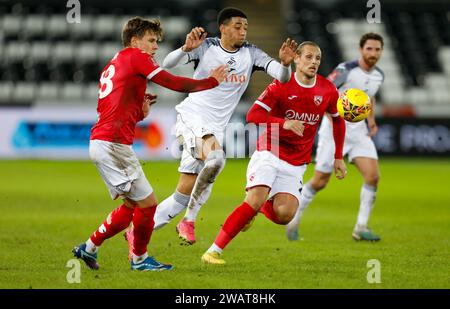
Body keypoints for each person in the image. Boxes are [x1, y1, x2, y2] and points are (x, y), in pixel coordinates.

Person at [126, 7, 298, 246]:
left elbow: (283, 76)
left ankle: (136, 232)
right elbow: (167, 63)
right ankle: (189, 221)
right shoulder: (207, 47)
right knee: (217, 158)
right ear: (223, 28)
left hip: (215, 127)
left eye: (245, 27)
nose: (242, 31)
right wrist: (186, 49)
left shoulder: (252, 54)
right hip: (193, 116)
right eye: (237, 26)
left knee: (182, 195)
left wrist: (287, 64)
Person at [72, 17, 227, 272]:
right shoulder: (136, 56)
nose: (156, 47)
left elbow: (112, 106)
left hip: (104, 141)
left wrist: (139, 109)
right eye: (151, 40)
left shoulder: (115, 62)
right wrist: (210, 82)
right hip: (112, 145)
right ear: (135, 40)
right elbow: (172, 82)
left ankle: (88, 247)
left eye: (157, 41)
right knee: (148, 204)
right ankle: (140, 259)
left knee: (132, 205)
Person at [201, 41, 347, 264]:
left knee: (285, 215)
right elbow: (253, 116)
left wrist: (338, 156)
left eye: (317, 58)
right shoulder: (280, 85)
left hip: (297, 162)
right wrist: (284, 123)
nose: (314, 62)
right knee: (255, 199)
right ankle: (213, 251)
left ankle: (254, 210)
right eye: (308, 57)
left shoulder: (327, 90)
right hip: (270, 150)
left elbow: (338, 121)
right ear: (296, 59)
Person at [285, 33, 385, 242]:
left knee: (373, 177)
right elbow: (323, 90)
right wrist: (331, 119)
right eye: (369, 49)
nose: (373, 53)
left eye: (377, 49)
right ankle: (293, 220)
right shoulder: (346, 70)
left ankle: (361, 227)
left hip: (359, 132)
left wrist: (372, 120)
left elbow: (370, 96)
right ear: (361, 50)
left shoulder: (379, 75)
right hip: (333, 130)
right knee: (320, 181)